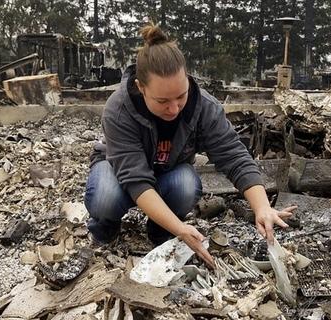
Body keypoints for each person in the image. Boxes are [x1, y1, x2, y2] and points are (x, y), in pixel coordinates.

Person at [85, 24, 295, 268]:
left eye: (180, 96)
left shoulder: (203, 107)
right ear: (141, 88)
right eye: (162, 101)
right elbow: (136, 180)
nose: (174, 109)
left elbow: (234, 156)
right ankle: (106, 226)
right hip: (118, 173)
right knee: (105, 195)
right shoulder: (119, 109)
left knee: (186, 184)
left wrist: (262, 207)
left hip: (168, 172)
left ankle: (160, 230)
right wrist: (182, 229)